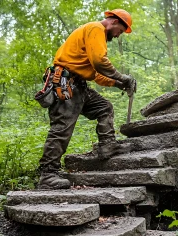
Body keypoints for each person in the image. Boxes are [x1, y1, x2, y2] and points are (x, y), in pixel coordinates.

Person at [36, 9, 136, 189]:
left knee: (104, 107)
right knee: (61, 129)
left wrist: (117, 83)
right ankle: (48, 175)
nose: (118, 35)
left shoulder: (93, 36)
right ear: (113, 21)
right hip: (67, 85)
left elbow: (96, 73)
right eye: (120, 31)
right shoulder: (96, 28)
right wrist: (122, 77)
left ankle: (107, 145)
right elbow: (99, 61)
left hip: (79, 85)